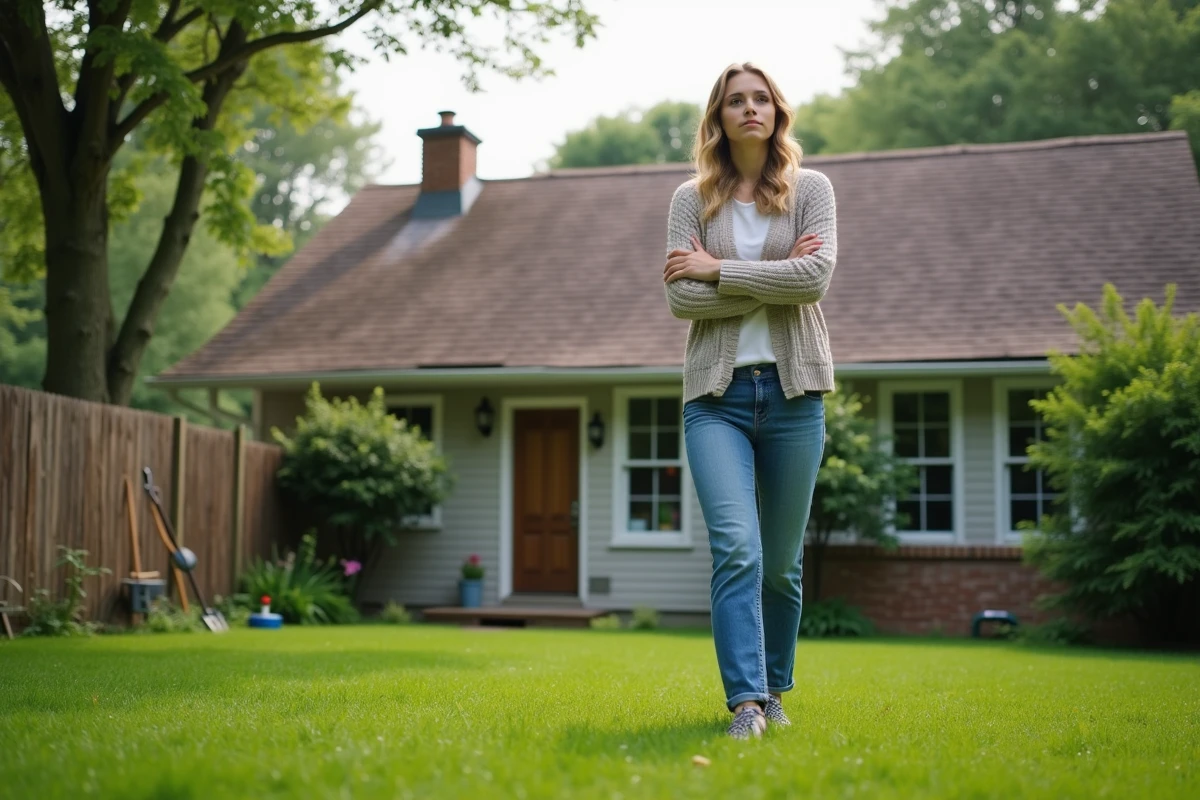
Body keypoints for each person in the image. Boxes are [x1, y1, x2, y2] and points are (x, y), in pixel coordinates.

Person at [662, 62, 837, 739]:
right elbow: (681, 298)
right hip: (716, 397)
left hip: (795, 395)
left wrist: (718, 269)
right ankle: (746, 705)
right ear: (719, 116)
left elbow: (815, 278)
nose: (750, 109)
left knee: (784, 565)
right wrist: (773, 273)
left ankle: (776, 688)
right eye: (736, 100)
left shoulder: (812, 189)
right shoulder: (689, 200)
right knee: (738, 547)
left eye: (761, 98)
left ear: (777, 111)